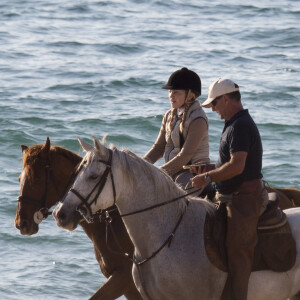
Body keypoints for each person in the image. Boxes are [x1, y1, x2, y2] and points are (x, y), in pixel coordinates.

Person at [190, 78, 269, 300]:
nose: (213, 110)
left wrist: (207, 176)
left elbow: (237, 166)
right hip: (228, 193)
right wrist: (208, 168)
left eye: (214, 104)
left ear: (226, 99)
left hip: (244, 200)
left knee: (238, 253)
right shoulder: (234, 124)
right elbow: (229, 163)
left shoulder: (240, 125)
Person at [144, 67, 210, 190]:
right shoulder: (169, 115)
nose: (171, 96)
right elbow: (158, 148)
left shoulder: (198, 120)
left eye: (176, 93)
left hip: (192, 174)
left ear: (190, 96)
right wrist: (140, 166)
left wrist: (159, 173)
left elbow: (185, 156)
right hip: (172, 171)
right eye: (170, 92)